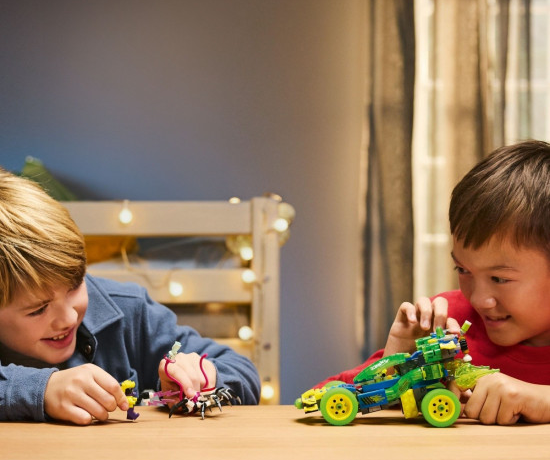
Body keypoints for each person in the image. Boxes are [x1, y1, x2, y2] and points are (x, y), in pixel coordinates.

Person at [0, 168, 260, 424]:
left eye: (75, 285)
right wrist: (40, 390)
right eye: (38, 309)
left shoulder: (129, 311)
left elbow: (243, 371)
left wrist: (203, 376)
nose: (68, 317)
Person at [317, 139, 550, 425]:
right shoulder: (447, 325)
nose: (478, 299)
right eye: (463, 269)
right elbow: (324, 400)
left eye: (499, 278)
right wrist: (395, 365)